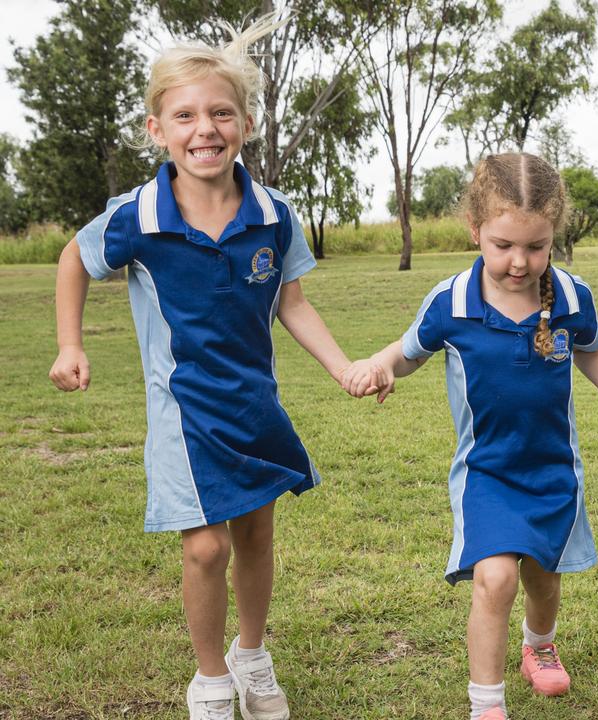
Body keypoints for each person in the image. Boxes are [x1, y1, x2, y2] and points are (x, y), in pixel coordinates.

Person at [47, 16, 352, 720]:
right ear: (157, 130)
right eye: (185, 115)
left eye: (220, 112)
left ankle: (251, 655)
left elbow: (292, 303)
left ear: (245, 122)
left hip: (254, 405)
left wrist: (340, 367)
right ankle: (212, 679)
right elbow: (73, 258)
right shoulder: (138, 216)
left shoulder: (274, 214)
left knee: (255, 535)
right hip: (184, 414)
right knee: (207, 548)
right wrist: (70, 344)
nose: (204, 128)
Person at [341, 152, 598, 720]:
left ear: (553, 236)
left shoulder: (572, 297)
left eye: (536, 246)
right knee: (496, 577)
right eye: (503, 245)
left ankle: (539, 646)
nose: (519, 261)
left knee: (542, 578)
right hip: (488, 473)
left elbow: (592, 349)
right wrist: (379, 366)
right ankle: (487, 705)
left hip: (553, 470)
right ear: (475, 230)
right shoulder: (452, 304)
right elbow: (407, 353)